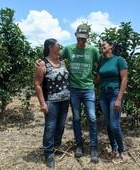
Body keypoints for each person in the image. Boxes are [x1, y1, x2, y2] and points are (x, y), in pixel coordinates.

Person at [36, 23, 101, 163]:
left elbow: (101, 63)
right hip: (73, 89)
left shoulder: (93, 50)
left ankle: (93, 147)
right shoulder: (69, 49)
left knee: (92, 117)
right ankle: (79, 145)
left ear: (88, 37)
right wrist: (40, 61)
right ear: (76, 36)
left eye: (83, 39)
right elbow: (53, 57)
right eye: (78, 38)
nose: (80, 41)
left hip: (88, 88)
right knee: (76, 118)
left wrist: (98, 76)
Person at [34, 38, 70, 168]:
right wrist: (42, 103)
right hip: (51, 102)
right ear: (50, 47)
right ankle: (48, 153)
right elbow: (37, 85)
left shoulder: (62, 61)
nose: (60, 47)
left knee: (61, 125)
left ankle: (56, 146)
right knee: (50, 127)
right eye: (58, 45)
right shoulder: (42, 64)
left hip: (65, 100)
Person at [98, 40, 128, 161]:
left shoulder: (119, 60)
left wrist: (119, 99)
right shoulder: (101, 61)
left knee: (114, 125)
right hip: (103, 94)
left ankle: (122, 150)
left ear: (111, 46)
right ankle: (114, 149)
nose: (102, 46)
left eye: (104, 44)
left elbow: (125, 79)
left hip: (115, 93)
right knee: (109, 125)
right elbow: (98, 78)